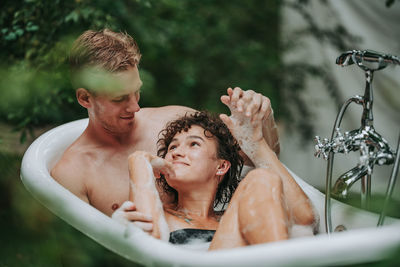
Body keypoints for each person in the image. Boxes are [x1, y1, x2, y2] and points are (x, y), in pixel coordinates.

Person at [50, 28, 280, 219]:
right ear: (85, 98)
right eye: (119, 99)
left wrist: (262, 117)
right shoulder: (72, 174)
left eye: (136, 92)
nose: (135, 107)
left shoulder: (174, 122)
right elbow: (77, 254)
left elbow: (262, 163)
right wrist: (118, 230)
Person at [124, 108, 316, 250]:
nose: (177, 153)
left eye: (193, 144)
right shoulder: (162, 215)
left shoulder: (240, 214)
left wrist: (256, 145)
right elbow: (145, 247)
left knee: (261, 178)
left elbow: (304, 217)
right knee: (259, 178)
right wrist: (139, 160)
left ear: (221, 166)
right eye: (172, 147)